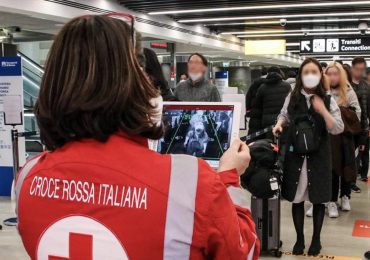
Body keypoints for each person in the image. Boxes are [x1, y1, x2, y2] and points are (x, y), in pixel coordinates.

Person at [15, 15, 259, 260]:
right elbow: (242, 252)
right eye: (142, 69)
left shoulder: (27, 177)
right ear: (133, 81)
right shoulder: (194, 184)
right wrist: (229, 178)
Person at [273, 58, 344, 256]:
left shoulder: (327, 99)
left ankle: (316, 239)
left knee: (318, 199)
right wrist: (279, 124)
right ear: (301, 75)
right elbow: (284, 115)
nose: (310, 76)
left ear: (320, 76)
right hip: (296, 155)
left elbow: (338, 127)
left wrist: (322, 110)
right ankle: (299, 239)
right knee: (297, 199)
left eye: (314, 72)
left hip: (319, 156)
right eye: (306, 72)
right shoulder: (293, 97)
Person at [324, 62, 361, 217]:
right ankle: (331, 201)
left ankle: (345, 196)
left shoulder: (348, 90)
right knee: (331, 169)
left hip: (345, 137)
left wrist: (339, 111)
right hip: (327, 138)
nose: (333, 77)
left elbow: (357, 113)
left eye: (336, 73)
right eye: (330, 73)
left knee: (346, 166)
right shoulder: (323, 91)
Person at [252, 67, 291, 139]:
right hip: (283, 120)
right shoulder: (287, 86)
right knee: (283, 142)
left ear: (268, 74)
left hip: (267, 121)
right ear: (280, 74)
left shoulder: (262, 87)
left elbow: (257, 106)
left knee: (269, 144)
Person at [351, 57, 370, 187]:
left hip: (363, 126)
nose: (359, 72)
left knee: (362, 152)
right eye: (357, 69)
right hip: (348, 126)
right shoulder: (346, 84)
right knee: (350, 155)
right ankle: (350, 181)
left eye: (362, 69)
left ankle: (361, 175)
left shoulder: (366, 86)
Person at [246, 67, 268, 134]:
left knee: (254, 131)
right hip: (266, 111)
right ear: (268, 73)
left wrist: (248, 108)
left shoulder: (254, 83)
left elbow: (248, 97)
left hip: (255, 111)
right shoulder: (269, 84)